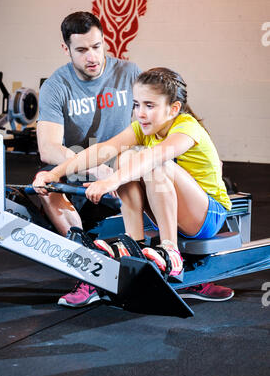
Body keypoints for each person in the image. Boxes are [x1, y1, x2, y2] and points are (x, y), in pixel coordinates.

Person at [33, 67, 234, 303]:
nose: (140, 113)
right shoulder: (142, 128)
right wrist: (54, 174)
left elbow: (154, 157)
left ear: (174, 109)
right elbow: (101, 150)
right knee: (125, 157)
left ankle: (171, 252)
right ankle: (134, 243)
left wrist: (110, 181)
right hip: (176, 208)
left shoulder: (186, 127)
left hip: (208, 214)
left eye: (150, 106)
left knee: (153, 162)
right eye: (137, 105)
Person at [35, 11, 141, 308]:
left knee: (153, 166)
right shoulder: (56, 86)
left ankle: (182, 261)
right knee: (49, 181)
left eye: (97, 46)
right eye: (81, 50)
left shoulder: (129, 73)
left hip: (122, 168)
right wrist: (92, 167)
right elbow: (48, 147)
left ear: (105, 40)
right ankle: (88, 271)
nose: (92, 56)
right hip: (82, 173)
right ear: (66, 49)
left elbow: (153, 126)